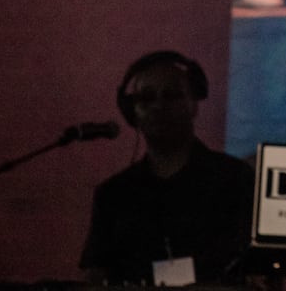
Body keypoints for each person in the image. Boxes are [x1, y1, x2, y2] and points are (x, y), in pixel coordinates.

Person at [80, 51, 254, 284]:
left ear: (194, 104)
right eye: (147, 98)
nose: (159, 106)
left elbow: (257, 272)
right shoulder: (113, 195)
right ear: (132, 112)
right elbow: (95, 275)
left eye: (171, 96)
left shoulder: (235, 179)